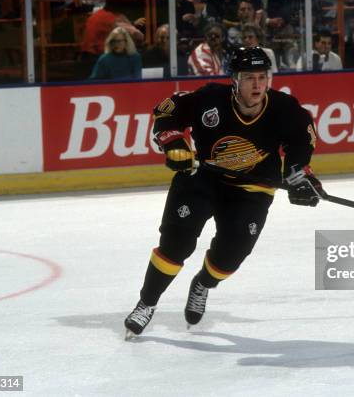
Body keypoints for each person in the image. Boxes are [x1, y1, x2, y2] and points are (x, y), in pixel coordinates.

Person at [124, 47, 323, 336]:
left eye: (261, 77)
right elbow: (168, 112)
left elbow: (299, 149)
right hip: (202, 178)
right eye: (249, 78)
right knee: (176, 244)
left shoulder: (286, 110)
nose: (257, 85)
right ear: (234, 80)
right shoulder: (210, 99)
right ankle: (147, 303)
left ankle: (202, 283)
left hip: (253, 188)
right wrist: (174, 142)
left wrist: (300, 179)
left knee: (231, 256)